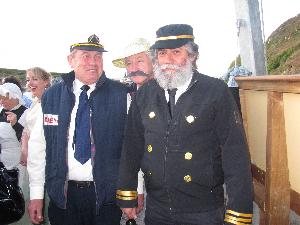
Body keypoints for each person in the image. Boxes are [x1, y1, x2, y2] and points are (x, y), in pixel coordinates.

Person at [116, 24, 254, 225]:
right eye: (162, 53)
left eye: (176, 52)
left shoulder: (215, 91)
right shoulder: (145, 94)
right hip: (158, 208)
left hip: (203, 210)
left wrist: (238, 214)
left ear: (192, 56)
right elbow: (132, 146)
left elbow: (235, 154)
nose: (168, 60)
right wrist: (127, 194)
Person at [27, 34, 128, 225]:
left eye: (98, 57)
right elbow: (38, 148)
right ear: (70, 60)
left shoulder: (121, 95)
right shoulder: (51, 97)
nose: (93, 62)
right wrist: (36, 194)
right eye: (86, 56)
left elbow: (131, 148)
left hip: (107, 199)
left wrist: (133, 190)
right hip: (63, 198)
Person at [113, 38, 154, 225]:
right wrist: (134, 190)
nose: (133, 67)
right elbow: (131, 149)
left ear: (153, 61)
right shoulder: (132, 97)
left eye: (139, 60)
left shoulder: (169, 93)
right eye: (129, 63)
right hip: (140, 183)